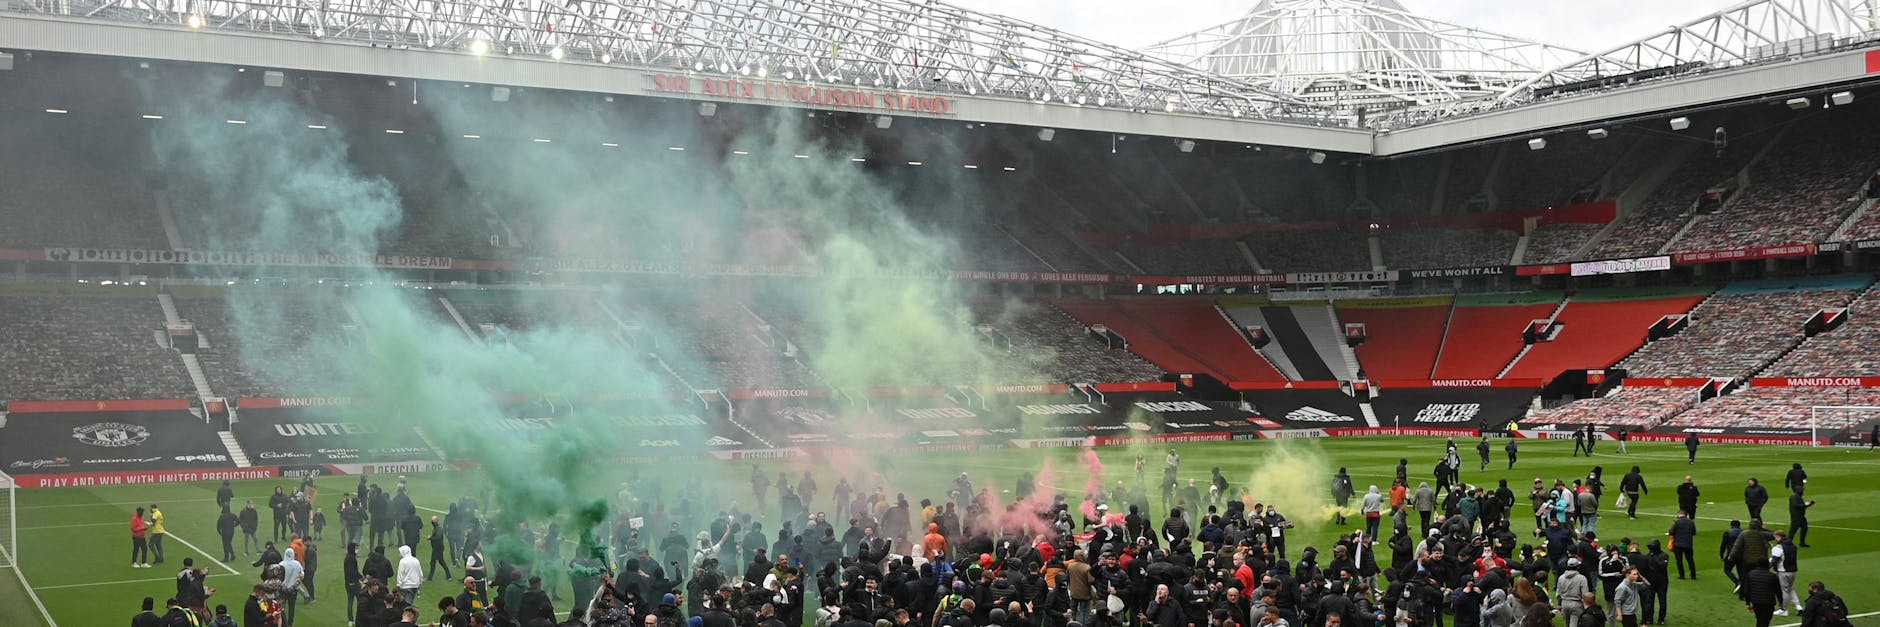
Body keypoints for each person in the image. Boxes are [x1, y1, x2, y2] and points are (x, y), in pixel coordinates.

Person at [1739, 559, 1782, 627]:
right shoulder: (1773, 576)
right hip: (1769, 603)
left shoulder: (1750, 574)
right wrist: (1781, 602)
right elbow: (1778, 591)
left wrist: (1748, 603)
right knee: (1765, 621)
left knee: (1760, 620)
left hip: (1756, 602)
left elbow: (1746, 590)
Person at [1771, 532, 1800, 617]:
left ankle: (1784, 609)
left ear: (1778, 536)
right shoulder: (1793, 546)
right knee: (1790, 588)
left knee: (1784, 590)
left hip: (1783, 571)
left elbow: (1775, 560)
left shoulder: (1779, 547)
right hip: (1793, 571)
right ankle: (1798, 606)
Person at [1665, 511, 1697, 579]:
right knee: (1690, 560)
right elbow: (1694, 533)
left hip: (1678, 544)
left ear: (1679, 514)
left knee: (1679, 561)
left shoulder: (1676, 522)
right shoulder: (1691, 522)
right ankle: (1693, 575)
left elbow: (1671, 532)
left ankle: (1682, 575)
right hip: (1688, 544)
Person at [281, 547, 305, 627]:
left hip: (282, 589)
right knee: (292, 608)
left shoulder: (281, 564)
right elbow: (302, 575)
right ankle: (290, 624)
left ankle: (283, 623)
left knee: (281, 607)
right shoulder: (297, 563)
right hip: (293, 589)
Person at [430, 516, 455, 581]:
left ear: (436, 521)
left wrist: (430, 538)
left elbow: (438, 537)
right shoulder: (436, 527)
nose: (432, 522)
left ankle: (430, 577)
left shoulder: (439, 528)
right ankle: (449, 576)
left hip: (438, 548)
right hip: (437, 547)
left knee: (433, 562)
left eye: (433, 521)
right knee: (440, 562)